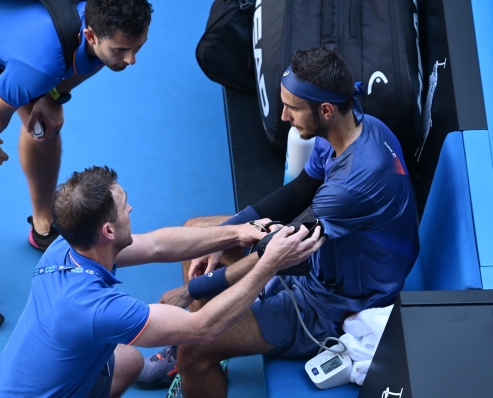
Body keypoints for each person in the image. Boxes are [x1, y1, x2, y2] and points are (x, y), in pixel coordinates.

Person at [137, 47, 420, 397]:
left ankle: (192, 353)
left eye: (293, 107)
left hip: (333, 303)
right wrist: (221, 238)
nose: (284, 115)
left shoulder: (354, 183)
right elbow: (297, 194)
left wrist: (188, 292)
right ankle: (198, 340)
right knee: (200, 233)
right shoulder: (352, 130)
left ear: (326, 110)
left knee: (196, 345)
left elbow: (273, 254)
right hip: (319, 255)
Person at [0, 165, 323, 397]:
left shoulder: (67, 247)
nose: (131, 210)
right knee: (174, 347)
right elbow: (202, 327)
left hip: (8, 386)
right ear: (108, 230)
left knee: (128, 361)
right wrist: (269, 264)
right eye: (124, 206)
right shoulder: (98, 310)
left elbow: (157, 245)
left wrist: (238, 231)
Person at [0, 0, 153, 331]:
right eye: (123, 50)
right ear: (91, 35)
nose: (132, 59)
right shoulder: (44, 62)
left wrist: (50, 99)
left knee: (44, 130)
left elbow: (67, 76)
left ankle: (43, 226)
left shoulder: (100, 35)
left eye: (138, 47)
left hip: (20, 46)